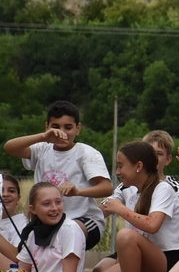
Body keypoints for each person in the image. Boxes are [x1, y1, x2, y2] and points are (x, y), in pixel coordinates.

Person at [86, 142, 179, 272]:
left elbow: (152, 225)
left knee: (125, 235)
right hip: (141, 262)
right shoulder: (130, 191)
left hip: (165, 263)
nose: (118, 172)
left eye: (121, 166)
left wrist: (120, 209)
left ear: (138, 166)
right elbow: (101, 212)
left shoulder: (162, 188)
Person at [4, 100, 112, 251]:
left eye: (68, 127)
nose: (61, 133)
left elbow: (107, 188)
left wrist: (78, 191)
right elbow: (9, 147)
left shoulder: (86, 153)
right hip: (47, 221)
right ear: (47, 127)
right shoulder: (42, 149)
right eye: (55, 127)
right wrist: (43, 137)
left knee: (67, 232)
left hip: (82, 220)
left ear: (78, 129)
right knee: (25, 250)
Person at [16, 183, 86, 272]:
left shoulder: (70, 229)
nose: (54, 208)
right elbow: (22, 269)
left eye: (58, 202)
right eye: (46, 204)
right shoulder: (34, 233)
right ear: (33, 209)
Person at [0, 173, 27, 263]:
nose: (5, 194)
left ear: (18, 198)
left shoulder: (24, 222)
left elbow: (18, 258)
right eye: (1, 191)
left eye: (11, 191)